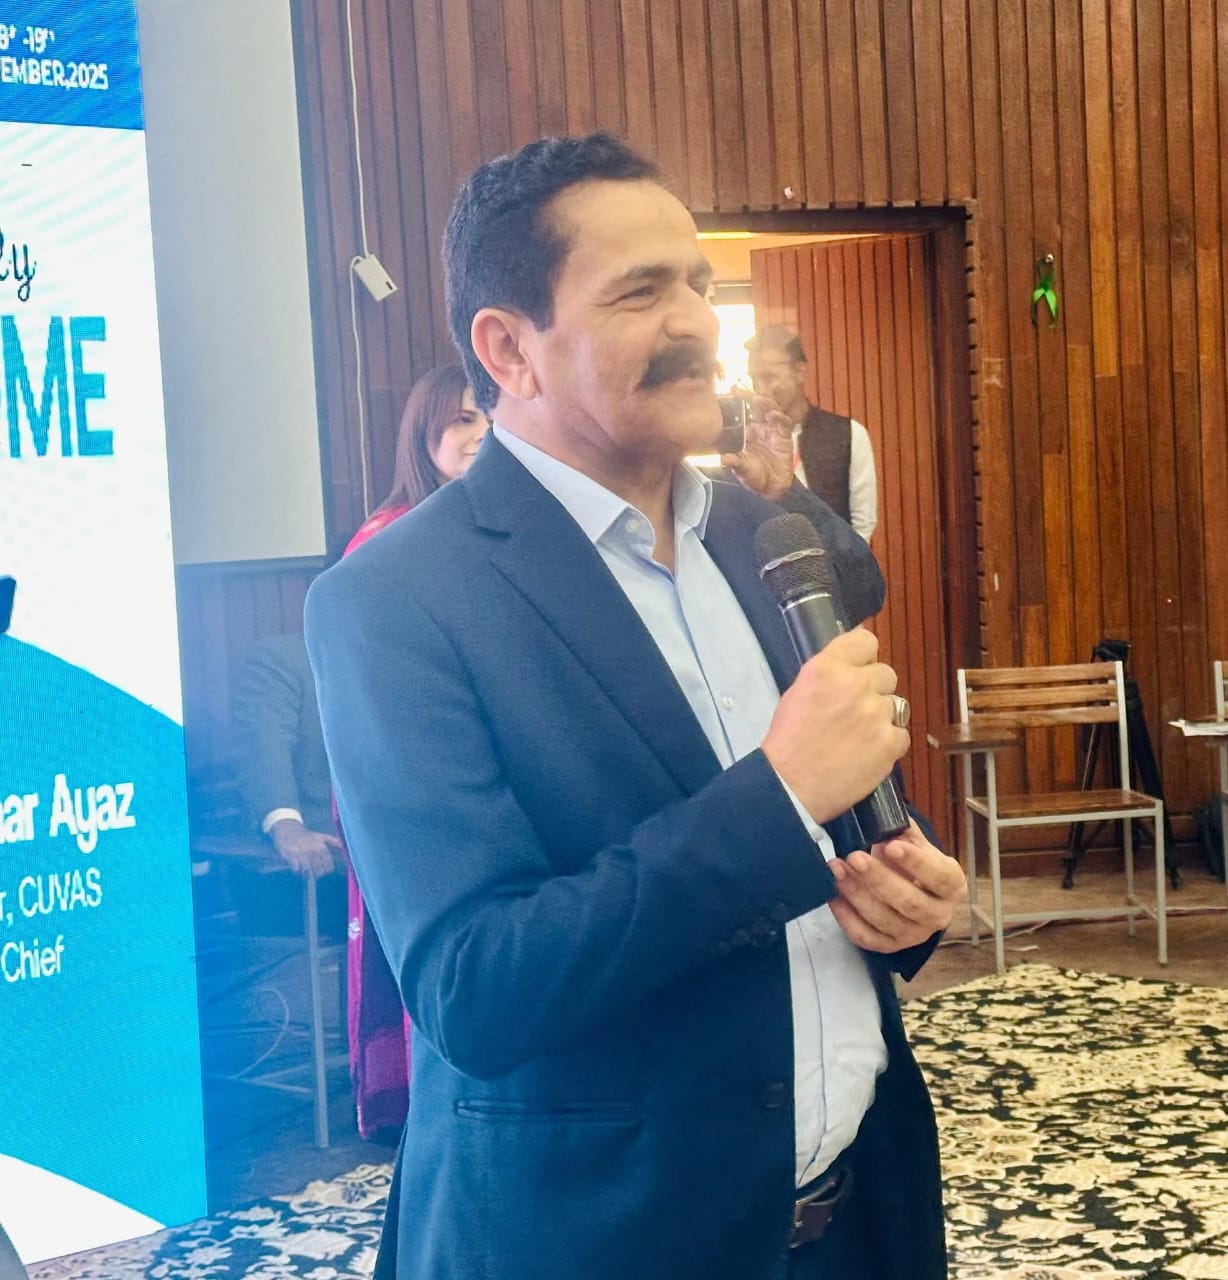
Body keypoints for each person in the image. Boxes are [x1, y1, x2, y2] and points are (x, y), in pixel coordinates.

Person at [306, 133, 964, 1280]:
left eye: (698, 283)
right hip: (595, 1240)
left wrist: (908, 899)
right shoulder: (395, 598)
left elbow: (837, 845)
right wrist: (777, 797)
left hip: (857, 1218)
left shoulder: (767, 539)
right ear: (508, 348)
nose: (697, 322)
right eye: (639, 291)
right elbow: (475, 986)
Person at [341, 363, 489, 1139]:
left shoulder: (502, 523)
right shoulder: (384, 542)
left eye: (488, 417)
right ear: (423, 435)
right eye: (461, 420)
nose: (479, 435)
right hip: (415, 789)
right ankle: (433, 1122)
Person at [746, 325, 879, 543]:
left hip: (837, 560)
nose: (760, 390)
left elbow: (863, 525)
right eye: (754, 379)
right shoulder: (749, 442)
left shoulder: (848, 434)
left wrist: (844, 560)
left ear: (799, 372)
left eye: (769, 378)